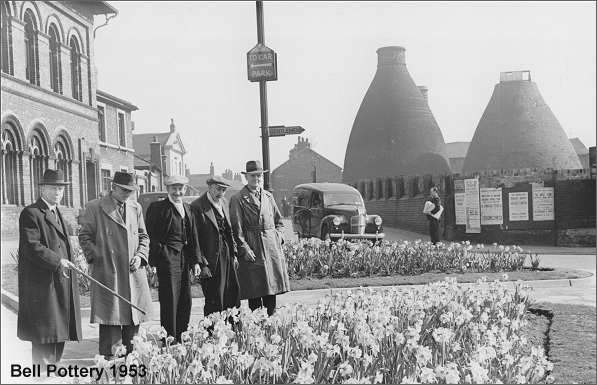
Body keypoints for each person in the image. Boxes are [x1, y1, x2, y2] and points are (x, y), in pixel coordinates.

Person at [78, 171, 152, 359]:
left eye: (131, 190)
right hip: (108, 273)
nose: (128, 194)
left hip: (132, 272)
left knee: (132, 322)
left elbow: (144, 236)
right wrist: (100, 258)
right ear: (113, 187)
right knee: (111, 319)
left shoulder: (136, 208)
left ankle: (131, 364)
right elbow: (85, 236)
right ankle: (110, 366)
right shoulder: (95, 207)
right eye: (124, 190)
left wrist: (140, 256)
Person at [17, 169, 82, 365]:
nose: (58, 192)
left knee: (58, 337)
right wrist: (58, 261)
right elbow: (32, 246)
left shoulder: (57, 212)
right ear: (42, 188)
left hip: (58, 285)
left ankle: (51, 376)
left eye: (61, 189)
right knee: (44, 341)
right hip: (43, 288)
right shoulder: (31, 213)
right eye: (53, 188)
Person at [229, 160, 290, 316]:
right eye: (252, 176)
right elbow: (237, 229)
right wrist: (245, 249)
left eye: (258, 176)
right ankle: (257, 331)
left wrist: (279, 237)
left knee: (272, 291)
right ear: (246, 177)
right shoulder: (238, 199)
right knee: (255, 292)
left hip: (271, 248)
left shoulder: (268, 197)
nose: (256, 179)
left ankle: (271, 327)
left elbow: (279, 221)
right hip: (253, 248)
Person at [145, 175, 201, 343]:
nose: (177, 192)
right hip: (168, 258)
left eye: (180, 188)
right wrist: (157, 258)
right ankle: (169, 339)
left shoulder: (188, 209)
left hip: (184, 258)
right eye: (174, 188)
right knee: (170, 298)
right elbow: (151, 235)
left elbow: (193, 236)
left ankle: (182, 335)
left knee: (185, 298)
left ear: (185, 190)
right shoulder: (158, 208)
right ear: (168, 189)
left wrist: (195, 261)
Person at [190, 175, 240, 319]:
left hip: (227, 254)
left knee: (232, 292)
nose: (221, 193)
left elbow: (229, 230)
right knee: (214, 296)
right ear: (210, 187)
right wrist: (202, 263)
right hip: (210, 258)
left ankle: (232, 328)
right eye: (218, 189)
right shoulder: (198, 206)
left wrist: (234, 254)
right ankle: (212, 332)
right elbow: (195, 239)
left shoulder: (223, 202)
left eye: (224, 190)